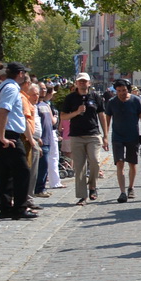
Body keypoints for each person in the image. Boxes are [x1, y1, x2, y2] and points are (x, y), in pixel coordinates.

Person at [0, 63, 35, 221]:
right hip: (9, 134)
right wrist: (2, 137)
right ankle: (19, 208)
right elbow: (3, 112)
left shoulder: (3, 86)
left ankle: (6, 208)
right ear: (20, 73)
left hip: (5, 132)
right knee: (23, 171)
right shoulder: (11, 88)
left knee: (7, 172)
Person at [59, 71, 107, 204]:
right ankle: (82, 196)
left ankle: (92, 186)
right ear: (76, 83)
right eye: (80, 81)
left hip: (93, 134)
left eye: (84, 81)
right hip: (76, 136)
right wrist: (76, 112)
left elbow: (102, 116)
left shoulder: (95, 97)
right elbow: (63, 116)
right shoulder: (71, 98)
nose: (82, 83)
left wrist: (105, 135)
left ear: (89, 83)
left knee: (95, 161)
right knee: (79, 167)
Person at [104, 77, 141, 202]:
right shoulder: (112, 102)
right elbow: (107, 119)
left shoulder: (135, 101)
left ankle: (131, 187)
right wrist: (105, 136)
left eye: (123, 90)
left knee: (132, 163)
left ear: (127, 89)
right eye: (118, 91)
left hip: (132, 136)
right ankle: (122, 192)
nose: (121, 93)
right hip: (117, 137)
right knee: (119, 163)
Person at [35, 83, 59, 198]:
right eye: (41, 89)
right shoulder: (34, 105)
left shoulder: (45, 104)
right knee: (41, 165)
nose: (43, 91)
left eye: (45, 89)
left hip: (48, 138)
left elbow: (52, 121)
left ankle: (41, 187)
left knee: (45, 165)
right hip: (40, 139)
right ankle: (38, 188)